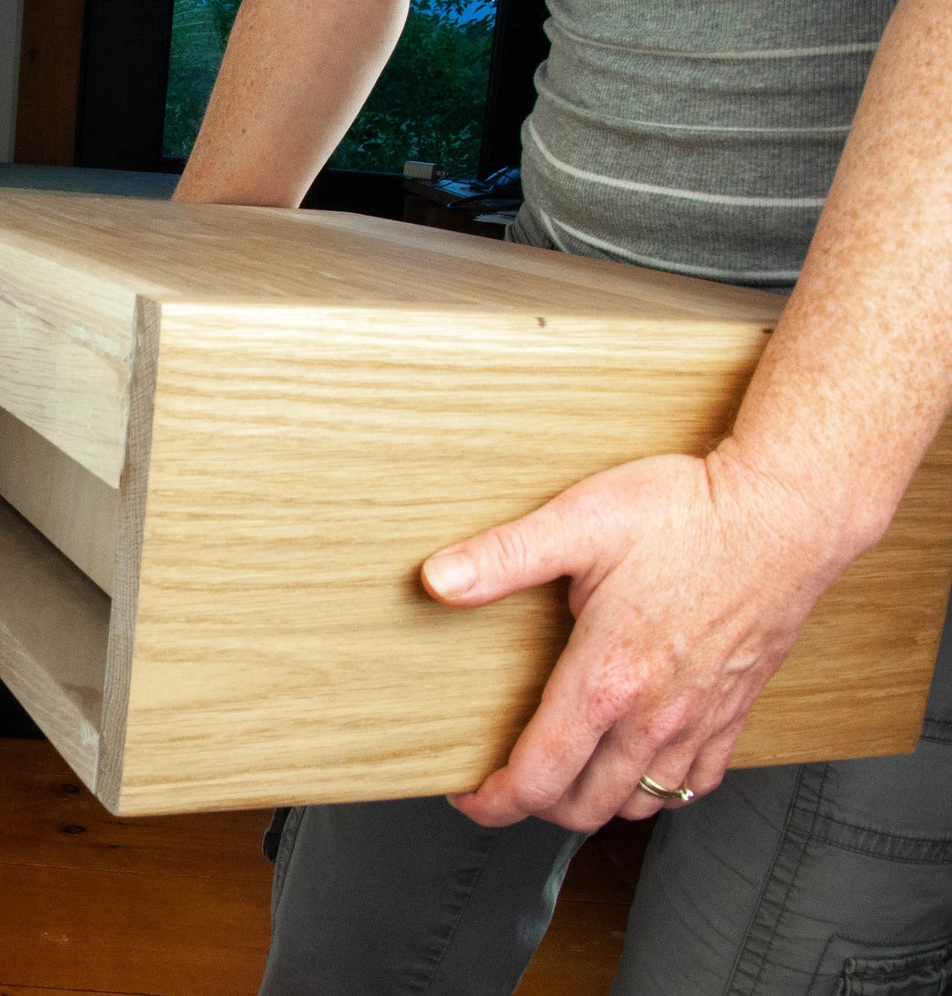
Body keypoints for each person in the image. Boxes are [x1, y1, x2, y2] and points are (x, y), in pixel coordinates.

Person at [172, 1, 952, 992]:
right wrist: (191, 283)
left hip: (903, 437)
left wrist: (785, 500)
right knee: (349, 951)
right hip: (553, 379)